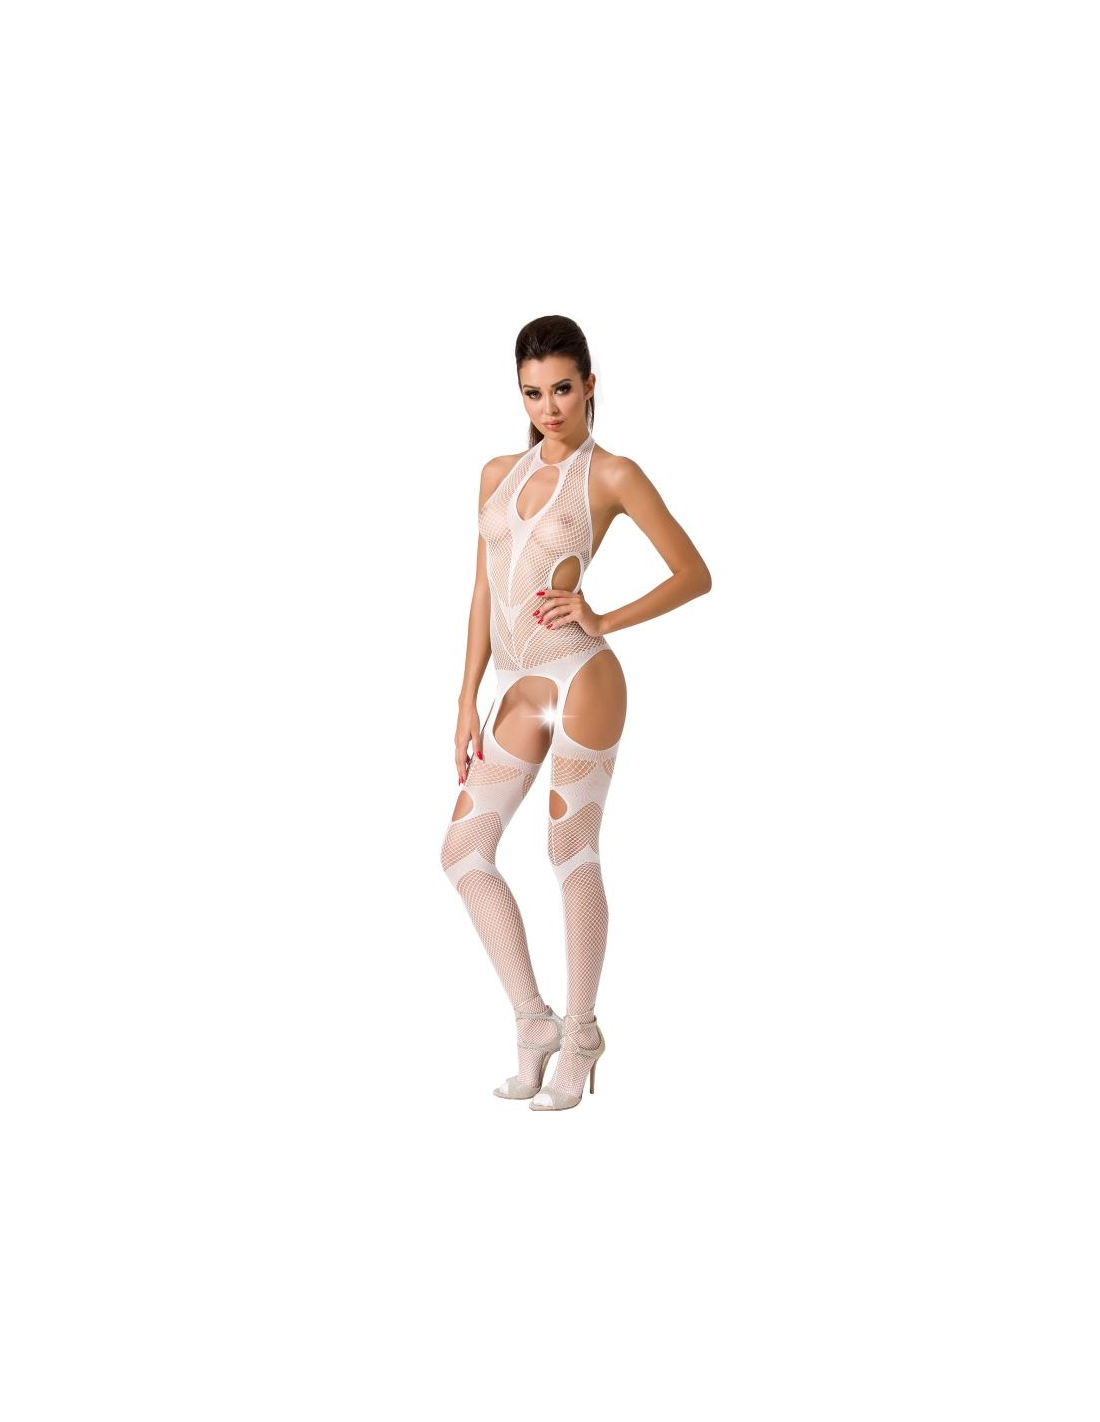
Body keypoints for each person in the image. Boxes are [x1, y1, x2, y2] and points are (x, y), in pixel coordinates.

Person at [440, 315, 712, 1110]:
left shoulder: (613, 474)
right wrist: (466, 699)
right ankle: (535, 1022)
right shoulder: (496, 472)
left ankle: (583, 1030)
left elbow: (694, 573)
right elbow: (484, 589)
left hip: (580, 676)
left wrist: (603, 616)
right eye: (533, 392)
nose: (549, 407)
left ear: (590, 385)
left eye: (562, 388)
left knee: (569, 851)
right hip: (517, 687)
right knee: (464, 853)